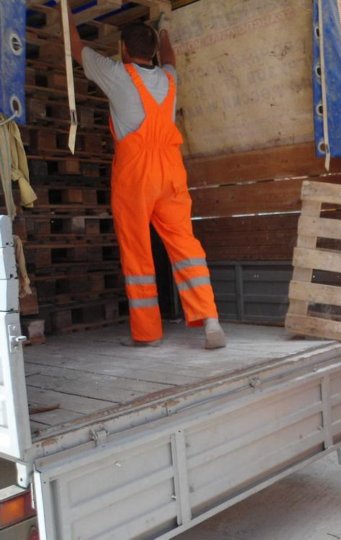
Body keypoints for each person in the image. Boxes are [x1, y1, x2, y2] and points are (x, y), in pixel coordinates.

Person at [66, 9, 226, 349]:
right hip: (171, 171)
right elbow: (170, 59)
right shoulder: (169, 78)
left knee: (137, 249)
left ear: (123, 48)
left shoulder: (117, 74)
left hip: (135, 175)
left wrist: (62, 9)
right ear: (152, 52)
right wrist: (164, 31)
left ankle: (148, 333)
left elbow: (75, 46)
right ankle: (210, 319)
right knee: (185, 245)